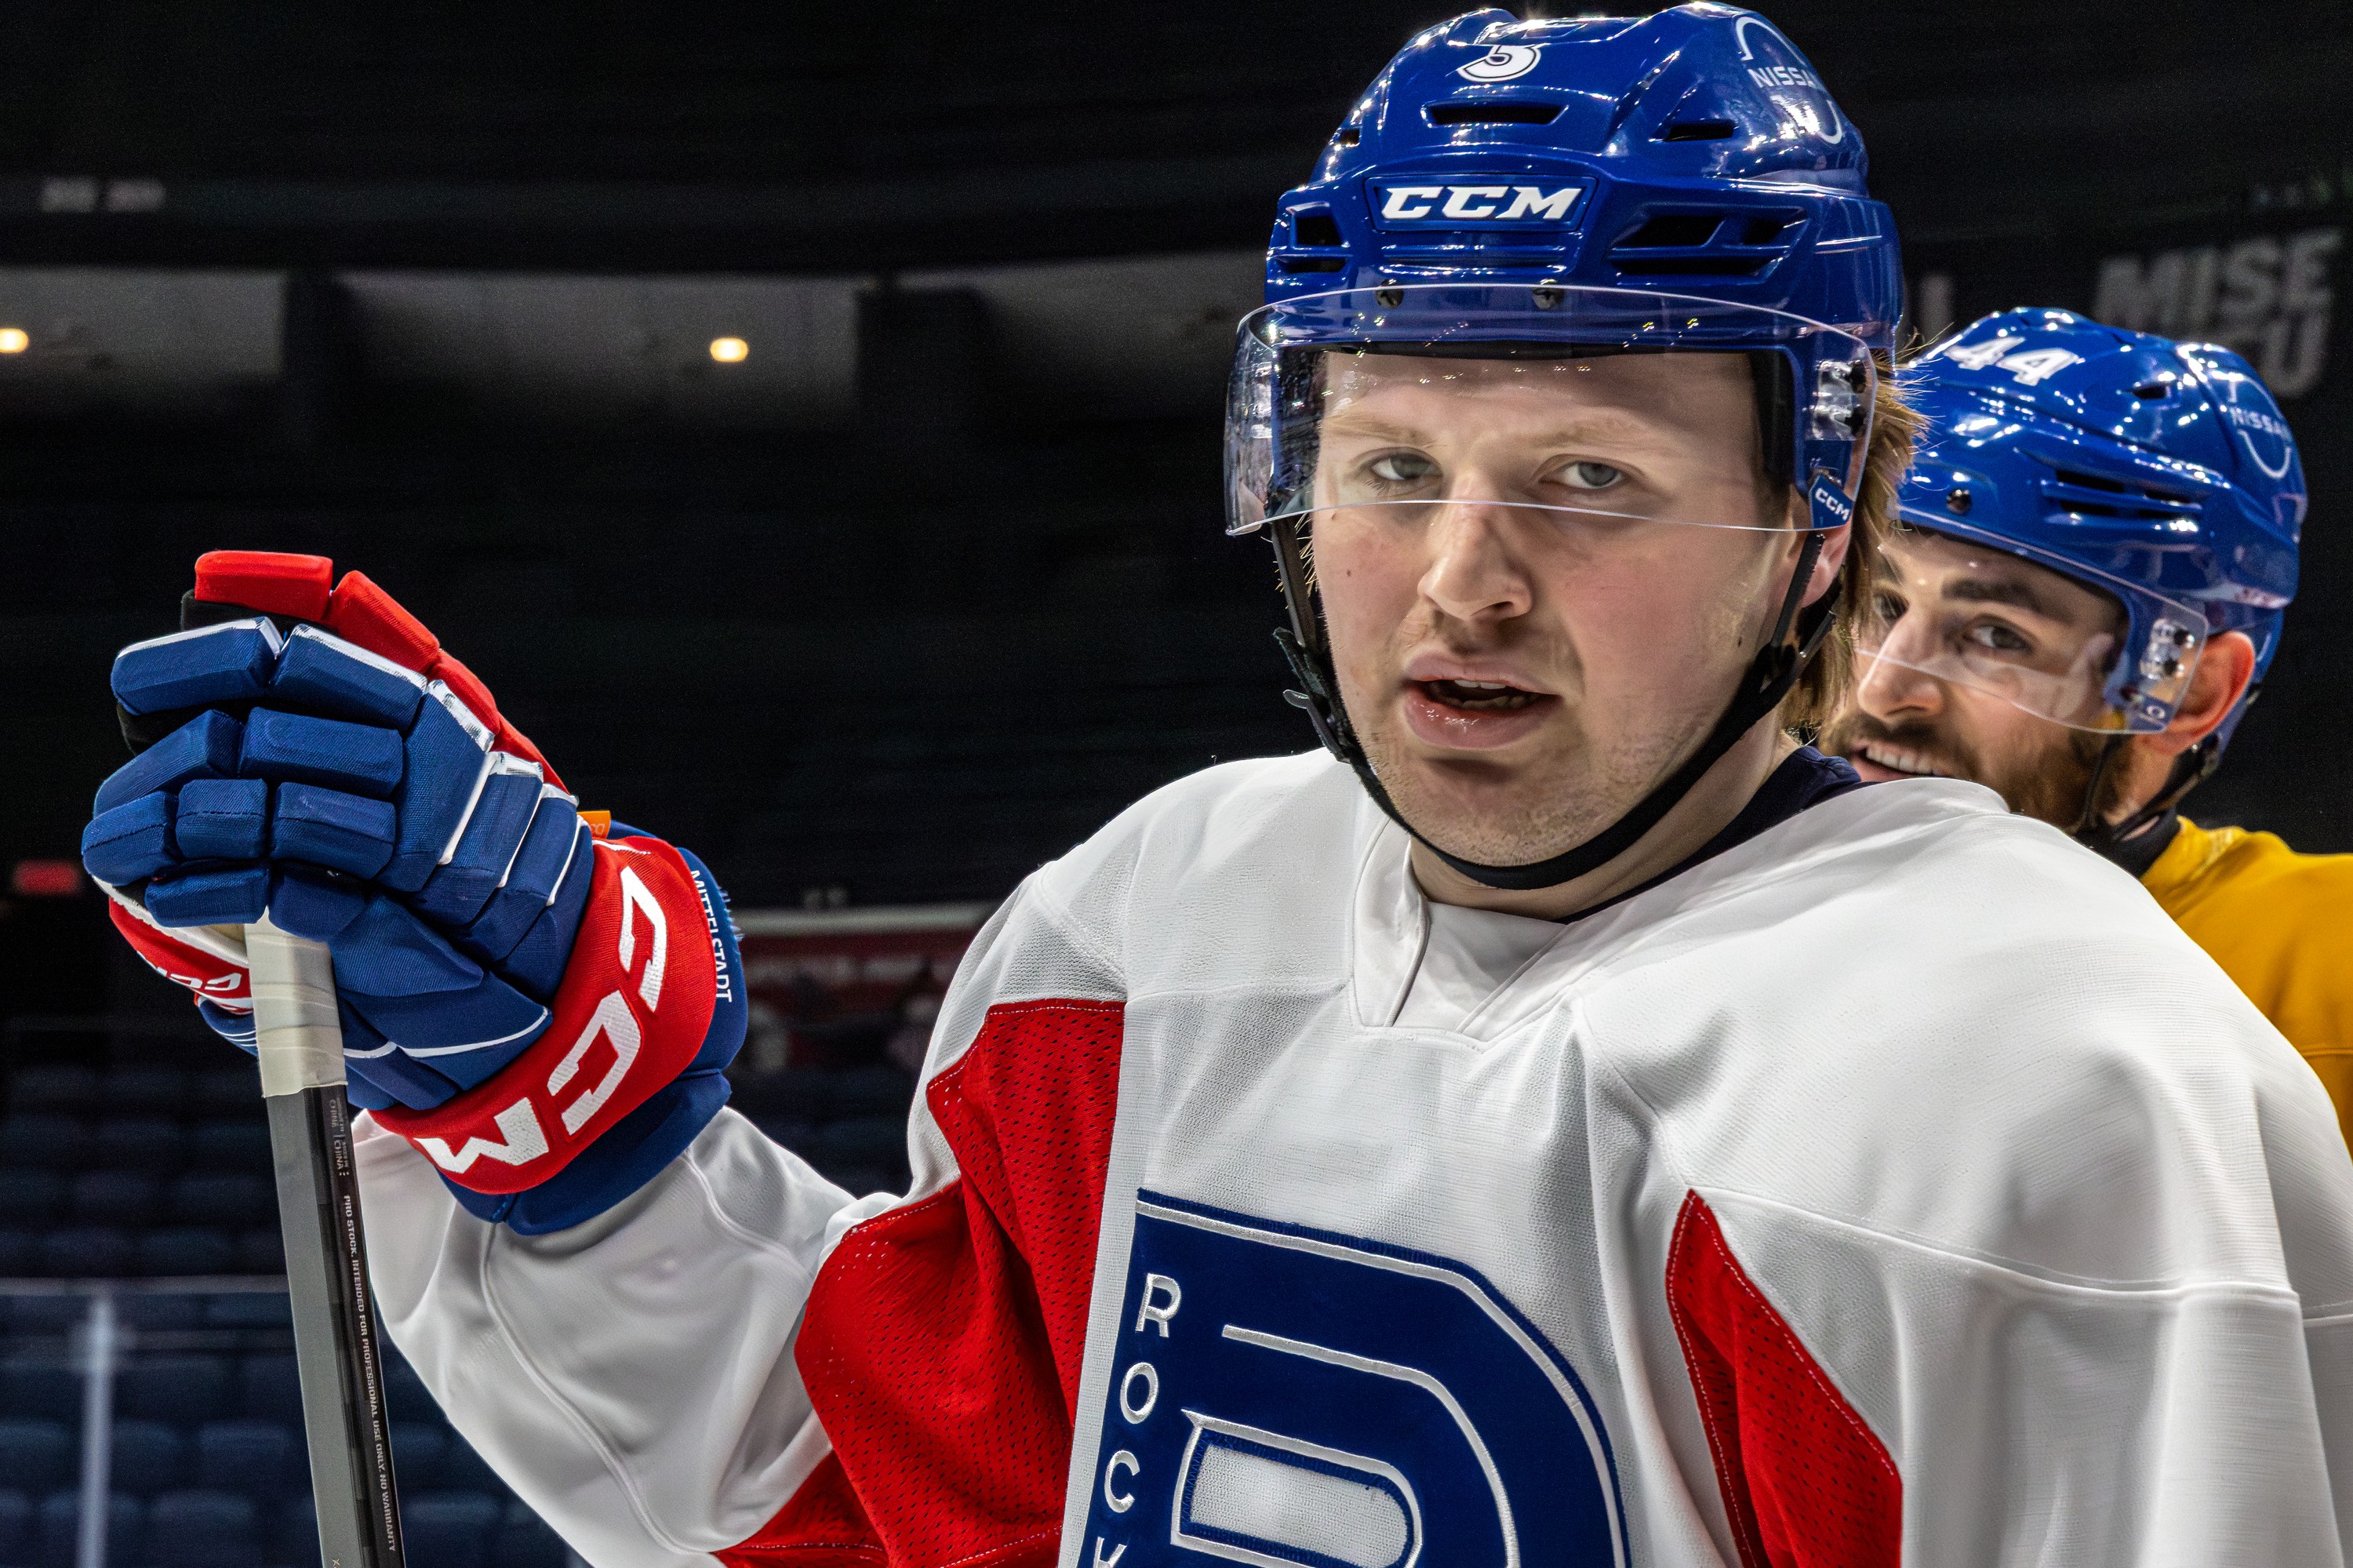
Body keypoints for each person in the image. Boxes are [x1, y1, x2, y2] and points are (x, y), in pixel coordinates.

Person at [81, 9, 2353, 1564]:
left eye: (1585, 474)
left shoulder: (2056, 1087)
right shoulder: (1159, 913)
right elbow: (875, 1500)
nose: (1459, 582)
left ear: (1820, 520)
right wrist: (567, 1118)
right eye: (1389, 464)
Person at [1824, 307, 2351, 1146]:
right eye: (1878, 604)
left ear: (2188, 692)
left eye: (1997, 635)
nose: (1887, 688)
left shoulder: (2327, 965)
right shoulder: (1693, 908)